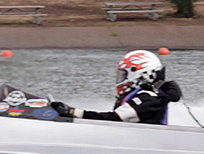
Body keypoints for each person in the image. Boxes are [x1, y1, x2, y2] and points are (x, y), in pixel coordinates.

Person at [49, 50, 183, 125]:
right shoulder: (144, 96)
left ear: (142, 75)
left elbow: (114, 119)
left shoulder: (147, 99)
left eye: (124, 75)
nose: (121, 79)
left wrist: (73, 112)